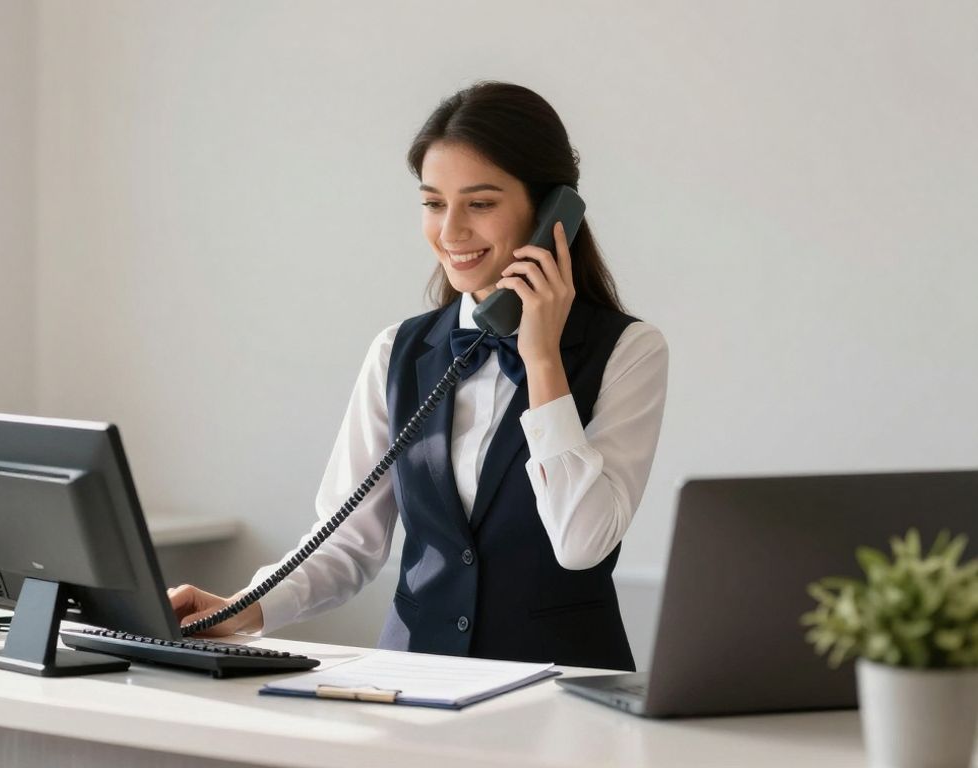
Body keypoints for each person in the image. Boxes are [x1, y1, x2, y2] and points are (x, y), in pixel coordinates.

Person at [168, 81, 668, 671]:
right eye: (433, 203)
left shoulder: (629, 352)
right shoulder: (396, 352)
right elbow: (348, 543)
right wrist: (240, 608)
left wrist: (542, 362)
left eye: (480, 204)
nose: (450, 232)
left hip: (561, 690)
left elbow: (582, 545)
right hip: (414, 686)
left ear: (552, 212)